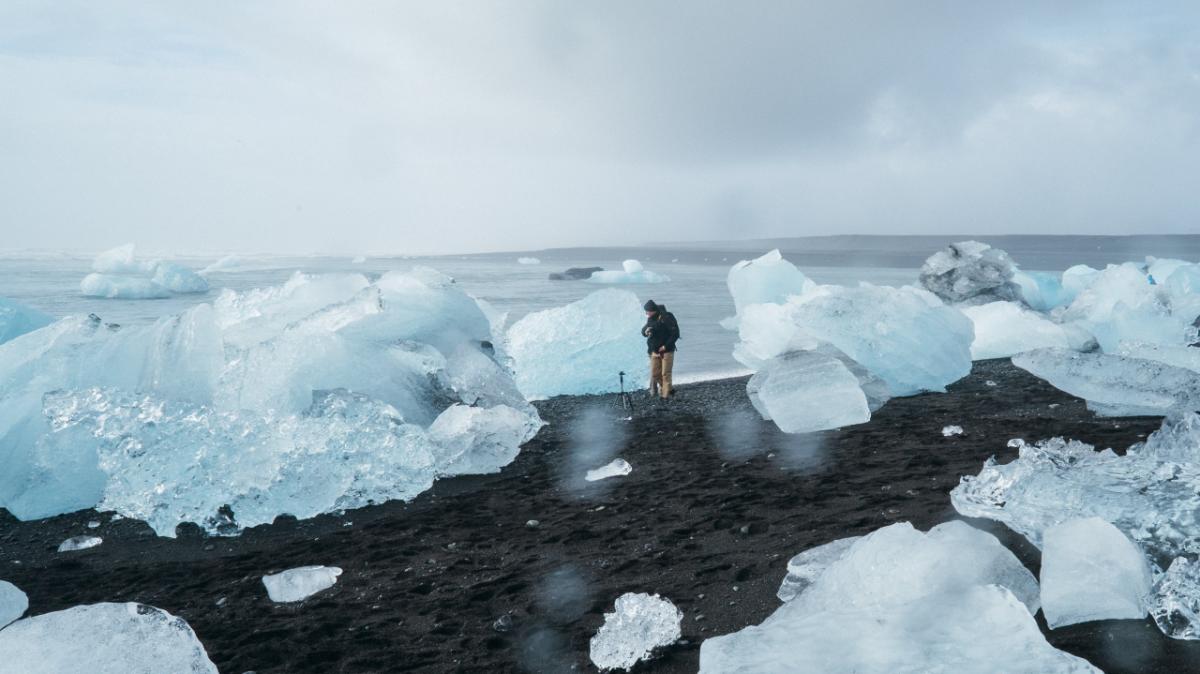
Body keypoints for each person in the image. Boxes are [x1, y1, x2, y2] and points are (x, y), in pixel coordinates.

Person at [642, 300, 680, 398]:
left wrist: (665, 346)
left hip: (667, 350)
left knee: (665, 373)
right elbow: (644, 330)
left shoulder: (667, 317)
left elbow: (675, 334)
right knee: (655, 374)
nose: (646, 313)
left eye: (648, 311)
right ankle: (669, 389)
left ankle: (665, 397)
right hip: (654, 350)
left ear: (653, 310)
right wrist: (646, 332)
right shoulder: (650, 319)